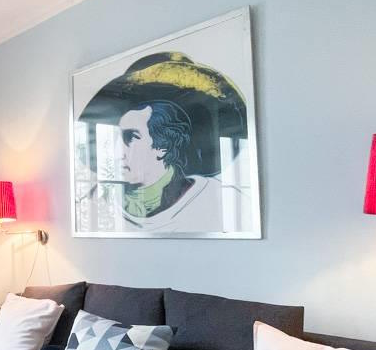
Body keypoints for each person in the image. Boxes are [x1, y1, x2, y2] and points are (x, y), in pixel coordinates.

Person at [77, 51, 253, 233]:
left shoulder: (221, 199)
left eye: (132, 137)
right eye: (117, 138)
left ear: (163, 146)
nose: (117, 153)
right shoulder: (97, 201)